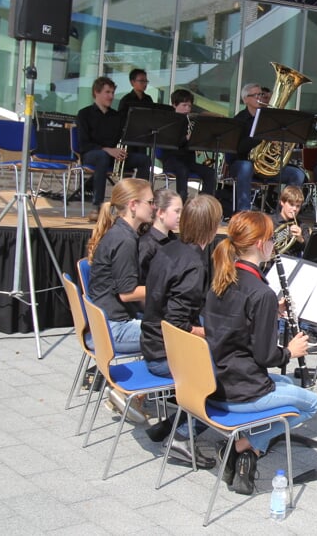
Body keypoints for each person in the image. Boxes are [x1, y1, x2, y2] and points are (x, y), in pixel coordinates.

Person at [201, 211, 317, 495]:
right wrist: (290, 352)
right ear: (259, 244)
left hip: (215, 380)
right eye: (271, 239)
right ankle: (242, 446)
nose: (274, 244)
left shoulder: (222, 279)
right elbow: (267, 357)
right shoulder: (261, 293)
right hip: (241, 391)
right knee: (312, 403)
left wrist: (271, 316)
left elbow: (238, 327)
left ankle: (249, 452)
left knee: (290, 385)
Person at [140, 195, 223, 467]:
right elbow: (177, 325)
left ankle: (170, 424)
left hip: (151, 343)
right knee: (231, 376)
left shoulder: (169, 248)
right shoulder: (194, 263)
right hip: (164, 355)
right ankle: (182, 437)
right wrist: (209, 334)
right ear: (211, 228)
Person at [85, 178, 155, 423]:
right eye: (150, 202)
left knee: (164, 325)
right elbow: (127, 293)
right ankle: (127, 393)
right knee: (177, 338)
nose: (154, 207)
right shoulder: (125, 240)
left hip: (103, 324)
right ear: (134, 205)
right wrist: (162, 288)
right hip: (113, 329)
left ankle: (139, 392)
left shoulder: (120, 232)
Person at [76, 76, 151, 222]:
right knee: (102, 157)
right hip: (92, 154)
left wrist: (122, 150)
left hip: (112, 155)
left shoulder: (116, 116)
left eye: (112, 93)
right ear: (96, 93)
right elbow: (84, 144)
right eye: (107, 92)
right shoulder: (84, 114)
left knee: (144, 160)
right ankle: (97, 206)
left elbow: (121, 139)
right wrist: (107, 150)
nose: (111, 96)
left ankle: (139, 203)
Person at [229, 83, 306, 213]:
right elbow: (237, 148)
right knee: (246, 166)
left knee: (297, 174)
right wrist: (261, 137)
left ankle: (283, 213)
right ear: (246, 99)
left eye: (261, 94)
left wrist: (280, 141)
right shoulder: (239, 119)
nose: (260, 97)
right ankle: (244, 212)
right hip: (242, 164)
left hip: (266, 167)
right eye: (256, 95)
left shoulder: (270, 119)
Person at [163, 89, 217, 201]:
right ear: (174, 105)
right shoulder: (169, 122)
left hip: (188, 160)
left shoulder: (191, 122)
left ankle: (205, 202)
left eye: (189, 106)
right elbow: (168, 144)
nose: (187, 109)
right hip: (172, 160)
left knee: (210, 172)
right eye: (184, 105)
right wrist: (185, 138)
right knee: (182, 170)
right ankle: (181, 200)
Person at [138, 189, 181, 284]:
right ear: (161, 213)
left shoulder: (174, 240)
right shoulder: (146, 245)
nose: (180, 216)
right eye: (177, 211)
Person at [273, 185, 307, 257]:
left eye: (298, 206)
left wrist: (300, 239)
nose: (294, 209)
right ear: (282, 202)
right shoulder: (270, 221)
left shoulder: (301, 226)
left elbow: (309, 250)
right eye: (291, 205)